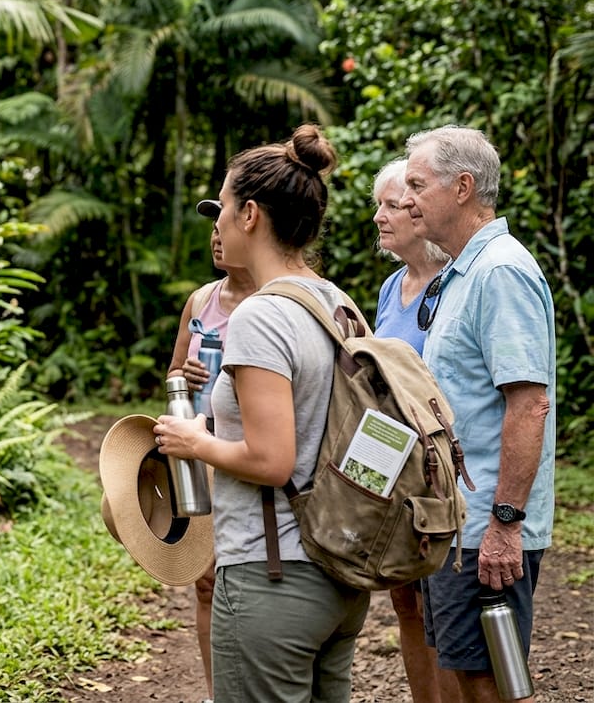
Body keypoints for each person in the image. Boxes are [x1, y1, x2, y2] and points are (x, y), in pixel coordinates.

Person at [154, 124, 370, 702]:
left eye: (222, 206)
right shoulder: (337, 302)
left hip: (274, 575)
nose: (217, 221)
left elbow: (271, 460)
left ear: (250, 214)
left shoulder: (260, 315)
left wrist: (192, 441)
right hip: (340, 570)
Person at [399, 125, 555, 703]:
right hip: (458, 523)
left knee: (490, 680)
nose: (407, 198)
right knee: (464, 671)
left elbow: (528, 403)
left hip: (487, 525)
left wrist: (505, 525)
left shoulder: (500, 271)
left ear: (462, 187)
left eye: (417, 184)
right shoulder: (462, 272)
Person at [371, 158, 462, 703]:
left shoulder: (454, 284)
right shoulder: (390, 287)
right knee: (405, 600)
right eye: (377, 205)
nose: (379, 217)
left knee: (443, 611)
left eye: (389, 204)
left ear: (416, 206)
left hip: (441, 473)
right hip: (394, 469)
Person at [164, 218, 258, 702]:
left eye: (224, 228)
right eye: (213, 231)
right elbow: (173, 375)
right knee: (206, 580)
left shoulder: (275, 300)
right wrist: (188, 374)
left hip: (255, 455)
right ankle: (216, 691)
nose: (217, 238)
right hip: (202, 458)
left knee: (250, 580)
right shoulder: (201, 301)